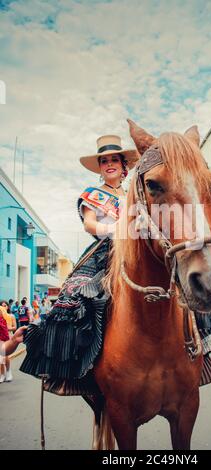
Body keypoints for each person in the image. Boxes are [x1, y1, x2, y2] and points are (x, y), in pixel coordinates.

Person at [20, 134, 139, 395]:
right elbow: (89, 224)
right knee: (73, 295)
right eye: (104, 161)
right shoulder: (93, 195)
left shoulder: (134, 194)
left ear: (123, 165)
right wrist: (114, 228)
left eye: (114, 160)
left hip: (136, 246)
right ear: (100, 168)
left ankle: (197, 352)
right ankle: (67, 372)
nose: (109, 164)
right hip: (104, 248)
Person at [0, 301, 16, 382]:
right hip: (0, 337)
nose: (3, 307)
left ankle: (8, 372)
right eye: (2, 306)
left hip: (8, 336)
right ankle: (2, 374)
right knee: (1, 357)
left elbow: (14, 327)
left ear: (7, 307)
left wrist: (6, 328)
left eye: (5, 305)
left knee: (6, 356)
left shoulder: (11, 316)